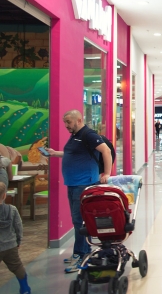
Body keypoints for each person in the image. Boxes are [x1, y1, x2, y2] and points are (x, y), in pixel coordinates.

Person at [46, 110, 112, 273]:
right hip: (73, 184)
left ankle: (82, 255)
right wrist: (55, 154)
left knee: (80, 221)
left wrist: (107, 173)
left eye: (68, 122)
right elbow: (73, 154)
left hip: (84, 184)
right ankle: (80, 252)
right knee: (78, 221)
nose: (66, 125)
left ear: (79, 120)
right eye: (65, 122)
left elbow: (106, 151)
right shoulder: (76, 135)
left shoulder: (88, 135)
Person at [0, 182, 31, 294]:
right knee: (17, 267)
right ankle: (25, 288)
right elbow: (18, 227)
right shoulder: (12, 209)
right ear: (4, 195)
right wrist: (18, 241)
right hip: (10, 246)